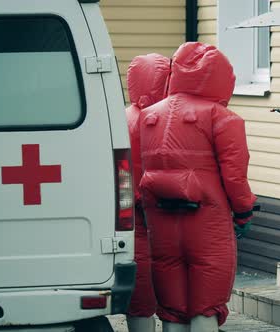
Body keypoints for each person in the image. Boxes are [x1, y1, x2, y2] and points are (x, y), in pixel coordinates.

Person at [138, 42, 256, 332]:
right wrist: (243, 213)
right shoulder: (223, 118)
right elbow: (235, 177)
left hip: (161, 221)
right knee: (206, 304)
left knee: (172, 307)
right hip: (207, 223)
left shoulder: (149, 116)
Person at [124, 53, 171, 332]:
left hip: (128, 210)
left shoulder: (120, 117)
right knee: (171, 282)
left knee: (140, 282)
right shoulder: (168, 118)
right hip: (166, 209)